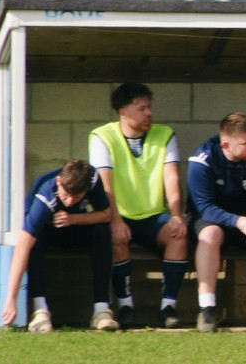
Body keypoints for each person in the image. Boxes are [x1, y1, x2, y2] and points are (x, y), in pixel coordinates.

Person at [89, 83, 189, 328]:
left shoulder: (165, 134)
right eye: (142, 108)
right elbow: (105, 184)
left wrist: (177, 215)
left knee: (178, 236)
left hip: (155, 216)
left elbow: (172, 178)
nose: (149, 113)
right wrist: (115, 220)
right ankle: (126, 308)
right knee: (116, 238)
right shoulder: (102, 136)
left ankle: (168, 308)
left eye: (149, 107)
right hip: (119, 215)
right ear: (123, 112)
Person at [188, 112, 246, 333]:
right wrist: (240, 222)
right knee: (210, 234)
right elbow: (205, 208)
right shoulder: (203, 159)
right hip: (214, 219)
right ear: (226, 144)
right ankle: (207, 308)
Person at [1, 160, 118, 332]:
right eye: (66, 196)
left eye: (77, 197)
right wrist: (11, 298)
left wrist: (74, 219)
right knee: (36, 238)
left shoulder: (93, 180)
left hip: (76, 227)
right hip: (50, 233)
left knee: (102, 232)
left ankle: (101, 311)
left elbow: (107, 215)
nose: (70, 202)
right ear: (58, 182)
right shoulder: (45, 194)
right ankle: (40, 311)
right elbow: (22, 247)